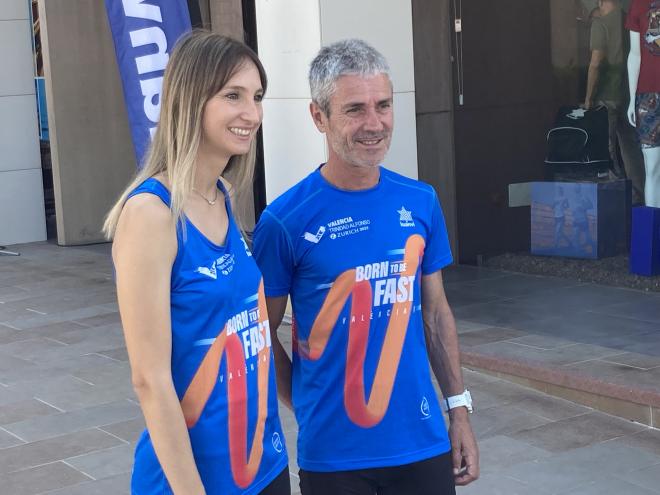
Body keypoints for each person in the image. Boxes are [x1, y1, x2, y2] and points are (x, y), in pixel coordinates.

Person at [252, 39, 478, 495]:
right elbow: (260, 332)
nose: (374, 124)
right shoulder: (284, 221)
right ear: (319, 116)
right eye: (355, 109)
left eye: (383, 105)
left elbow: (435, 313)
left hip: (423, 443)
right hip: (335, 457)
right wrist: (302, 396)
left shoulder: (420, 201)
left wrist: (459, 410)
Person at [103, 32, 289, 495]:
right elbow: (150, 379)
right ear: (190, 100)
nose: (252, 113)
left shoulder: (222, 195)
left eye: (257, 97)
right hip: (194, 480)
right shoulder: (151, 214)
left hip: (262, 465)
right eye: (233, 95)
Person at [584, 0, 646, 204]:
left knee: (607, 150)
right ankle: (639, 197)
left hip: (606, 96)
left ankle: (617, 200)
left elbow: (595, 63)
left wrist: (588, 98)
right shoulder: (629, 20)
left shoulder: (600, 24)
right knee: (631, 150)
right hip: (629, 94)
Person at [626, 0, 660, 207]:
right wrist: (632, 98)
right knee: (652, 166)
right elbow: (634, 54)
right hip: (647, 97)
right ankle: (654, 231)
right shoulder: (638, 4)